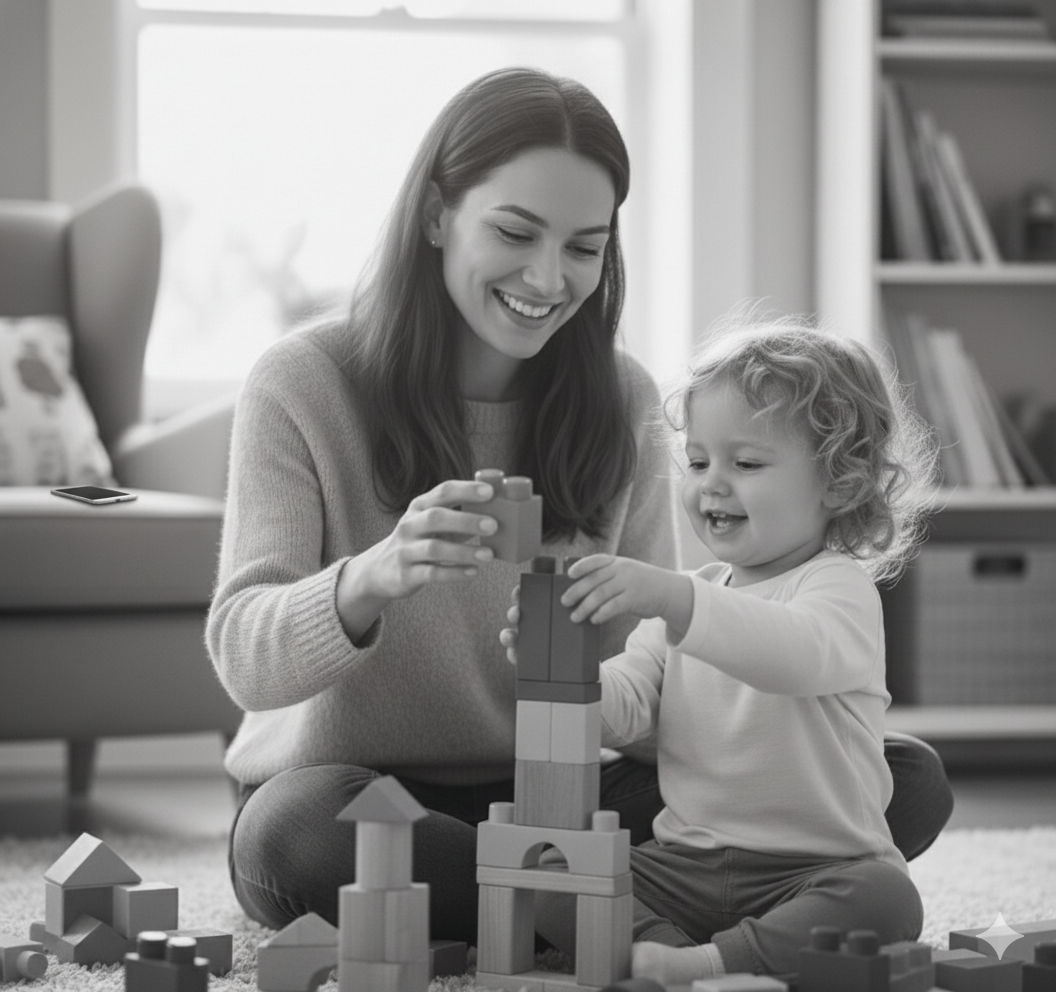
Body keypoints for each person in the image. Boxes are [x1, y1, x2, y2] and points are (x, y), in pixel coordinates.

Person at [206, 67, 952, 946]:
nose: (548, 277)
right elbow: (246, 660)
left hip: (565, 785)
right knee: (299, 837)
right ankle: (593, 904)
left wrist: (579, 679)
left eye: (585, 247)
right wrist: (370, 577)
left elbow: (662, 684)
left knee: (900, 778)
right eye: (516, 232)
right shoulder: (303, 383)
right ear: (437, 214)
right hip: (354, 787)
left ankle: (566, 905)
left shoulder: (625, 400)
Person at [503, 314, 940, 982]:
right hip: (686, 864)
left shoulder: (836, 589)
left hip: (818, 865)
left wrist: (676, 602)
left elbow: (793, 655)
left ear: (839, 484)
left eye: (747, 463)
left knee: (886, 899)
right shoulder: (689, 598)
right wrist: (563, 672)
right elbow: (621, 709)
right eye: (700, 461)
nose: (711, 483)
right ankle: (672, 952)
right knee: (550, 873)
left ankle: (704, 962)